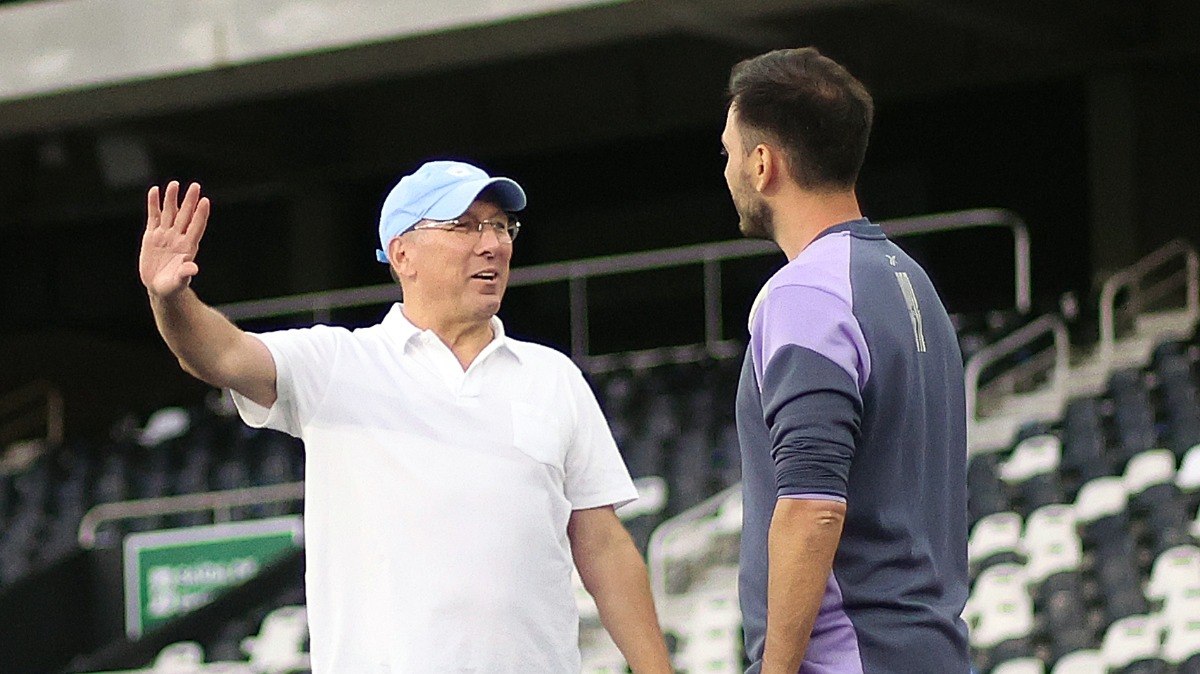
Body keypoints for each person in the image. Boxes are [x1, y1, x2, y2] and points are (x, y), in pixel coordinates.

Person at [138, 160, 674, 673]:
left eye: (500, 225)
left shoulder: (552, 376)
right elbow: (220, 356)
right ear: (402, 255)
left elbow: (602, 545)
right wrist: (171, 299)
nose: (492, 243)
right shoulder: (338, 364)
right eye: (464, 225)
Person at [720, 48, 970, 673]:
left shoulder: (805, 292)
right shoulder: (912, 282)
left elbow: (812, 506)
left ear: (762, 162)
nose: (725, 169)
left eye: (727, 151)